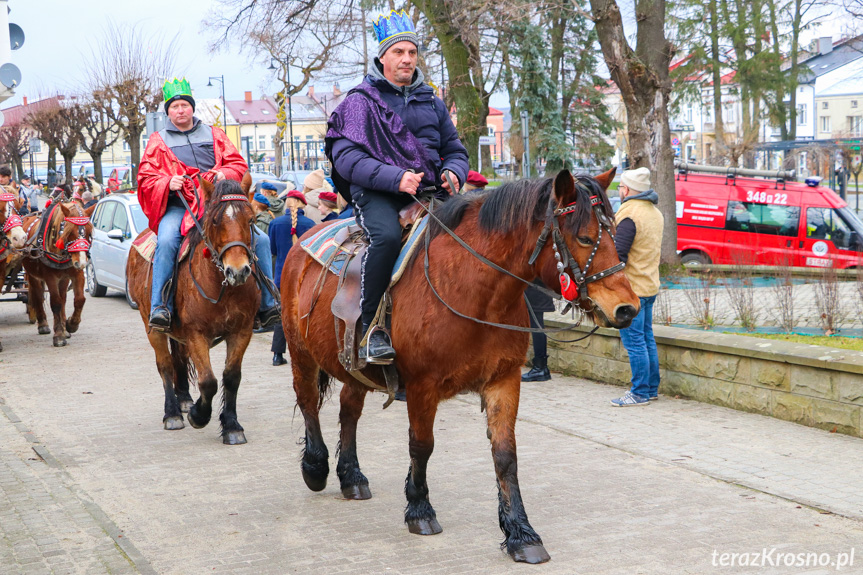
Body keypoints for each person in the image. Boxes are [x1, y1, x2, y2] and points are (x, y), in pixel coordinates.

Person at [326, 9, 469, 361]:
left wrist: (454, 172)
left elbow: (454, 150)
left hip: (430, 191)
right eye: (398, 53)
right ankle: (372, 327)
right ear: (382, 57)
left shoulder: (432, 101)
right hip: (376, 193)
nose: (406, 59)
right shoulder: (359, 103)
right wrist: (396, 177)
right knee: (388, 237)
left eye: (412, 52)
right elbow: (346, 159)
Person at [137, 77, 280, 333]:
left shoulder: (215, 134)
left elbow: (238, 165)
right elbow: (146, 179)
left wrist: (224, 173)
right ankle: (161, 306)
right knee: (167, 240)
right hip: (179, 207)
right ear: (168, 111)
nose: (180, 110)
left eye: (184, 105)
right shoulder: (157, 141)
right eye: (174, 107)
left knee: (264, 241)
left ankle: (268, 305)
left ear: (192, 108)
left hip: (216, 206)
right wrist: (167, 182)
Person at [610, 167, 664, 406]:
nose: (620, 191)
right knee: (647, 338)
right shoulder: (654, 212)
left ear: (628, 189)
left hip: (632, 290)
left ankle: (640, 392)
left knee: (635, 343)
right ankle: (651, 388)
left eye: (621, 187)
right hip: (649, 286)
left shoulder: (629, 214)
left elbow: (619, 255)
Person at [268, 190, 315, 365]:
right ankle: (308, 350)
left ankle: (277, 354)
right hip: (305, 276)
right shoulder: (310, 224)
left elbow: (273, 251)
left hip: (282, 276)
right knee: (306, 312)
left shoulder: (275, 223)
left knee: (283, 314)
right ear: (302, 204)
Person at [522, 280, 555, 382]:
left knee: (537, 328)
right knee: (537, 328)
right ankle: (540, 368)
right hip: (536, 291)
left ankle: (540, 368)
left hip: (535, 291)